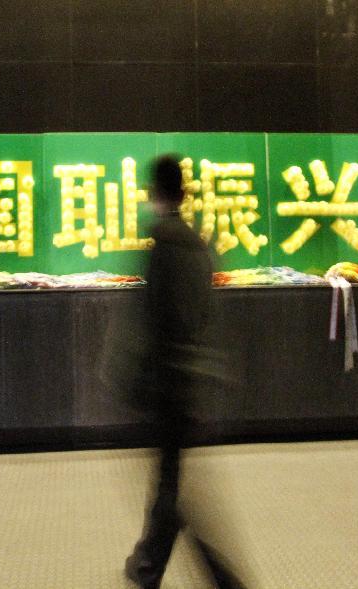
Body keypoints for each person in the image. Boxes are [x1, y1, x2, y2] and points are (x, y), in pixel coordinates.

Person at [124, 155, 246, 589]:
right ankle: (148, 564)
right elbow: (201, 315)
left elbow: (156, 320)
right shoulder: (198, 246)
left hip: (167, 382)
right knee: (171, 482)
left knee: (174, 490)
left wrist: (138, 380)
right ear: (184, 193)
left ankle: (212, 576)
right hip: (189, 376)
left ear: (155, 193)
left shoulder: (163, 246)